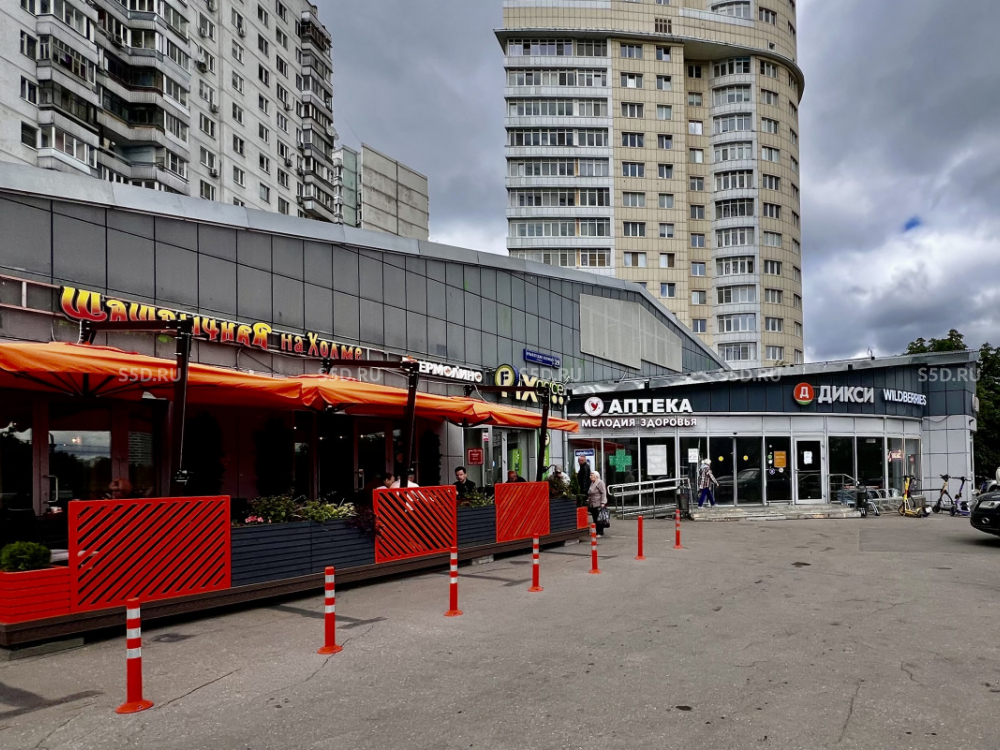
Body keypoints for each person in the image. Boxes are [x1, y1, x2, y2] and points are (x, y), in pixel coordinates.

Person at [587, 470, 608, 536]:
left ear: (596, 476)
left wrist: (603, 502)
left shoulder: (600, 482)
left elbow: (603, 492)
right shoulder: (592, 483)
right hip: (592, 503)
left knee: (599, 518)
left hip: (598, 503)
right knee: (595, 518)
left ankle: (600, 532)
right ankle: (596, 531)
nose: (590, 477)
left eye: (591, 475)